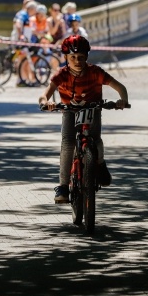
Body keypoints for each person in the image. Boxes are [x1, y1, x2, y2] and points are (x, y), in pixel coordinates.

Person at [38, 35, 129, 203]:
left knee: (96, 139)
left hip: (92, 110)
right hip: (69, 111)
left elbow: (119, 87)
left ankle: (100, 163)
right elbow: (45, 94)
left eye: (80, 57)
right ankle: (63, 186)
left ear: (87, 57)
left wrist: (122, 100)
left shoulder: (96, 72)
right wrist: (47, 102)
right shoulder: (61, 75)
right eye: (72, 57)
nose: (77, 61)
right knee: (67, 143)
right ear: (65, 58)